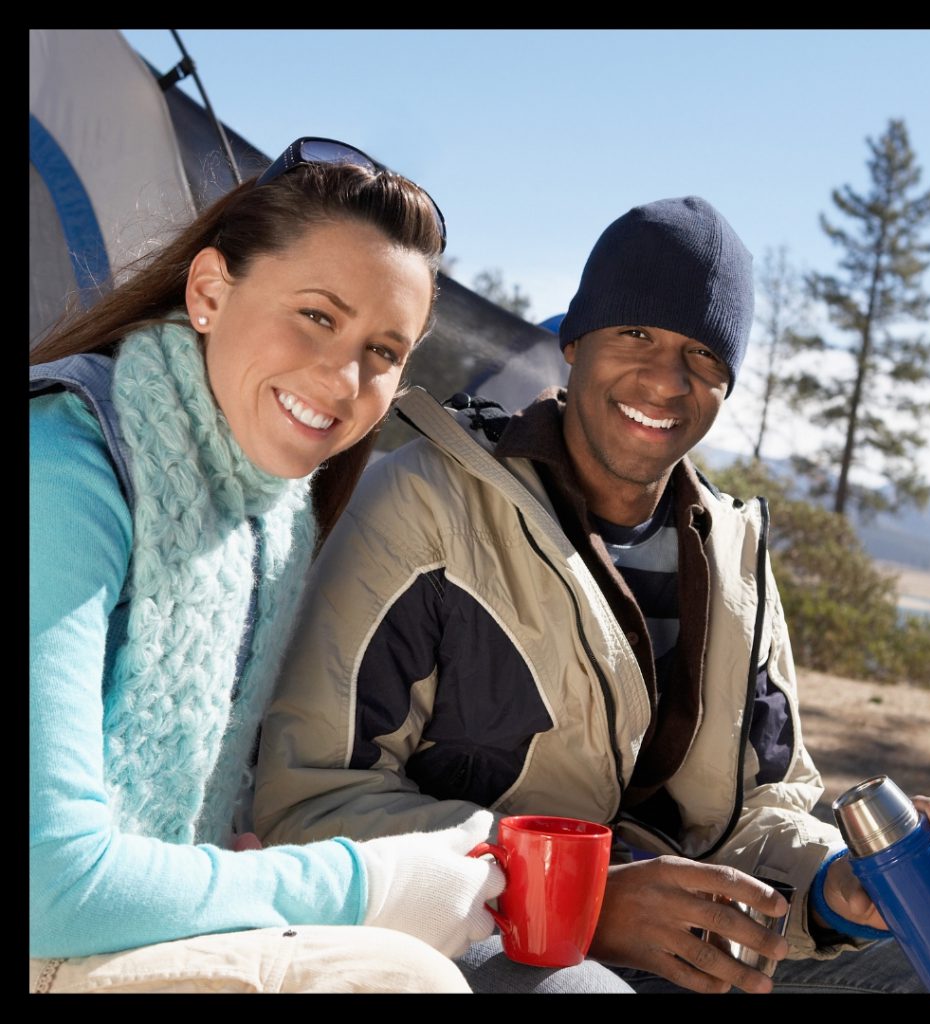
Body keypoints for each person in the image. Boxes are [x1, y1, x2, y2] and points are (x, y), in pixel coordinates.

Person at [252, 196, 930, 994]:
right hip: (473, 936)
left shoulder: (736, 555)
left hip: (696, 953)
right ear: (574, 341)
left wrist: (836, 884)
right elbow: (311, 801)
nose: (666, 380)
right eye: (635, 333)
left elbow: (760, 810)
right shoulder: (426, 507)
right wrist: (579, 897)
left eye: (704, 355)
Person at [29, 137, 510, 995]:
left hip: (95, 932)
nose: (343, 375)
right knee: (401, 978)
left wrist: (231, 860)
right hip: (52, 926)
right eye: (319, 316)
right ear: (211, 291)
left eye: (386, 352)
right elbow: (47, 886)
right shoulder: (63, 470)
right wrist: (369, 886)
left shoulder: (273, 515)